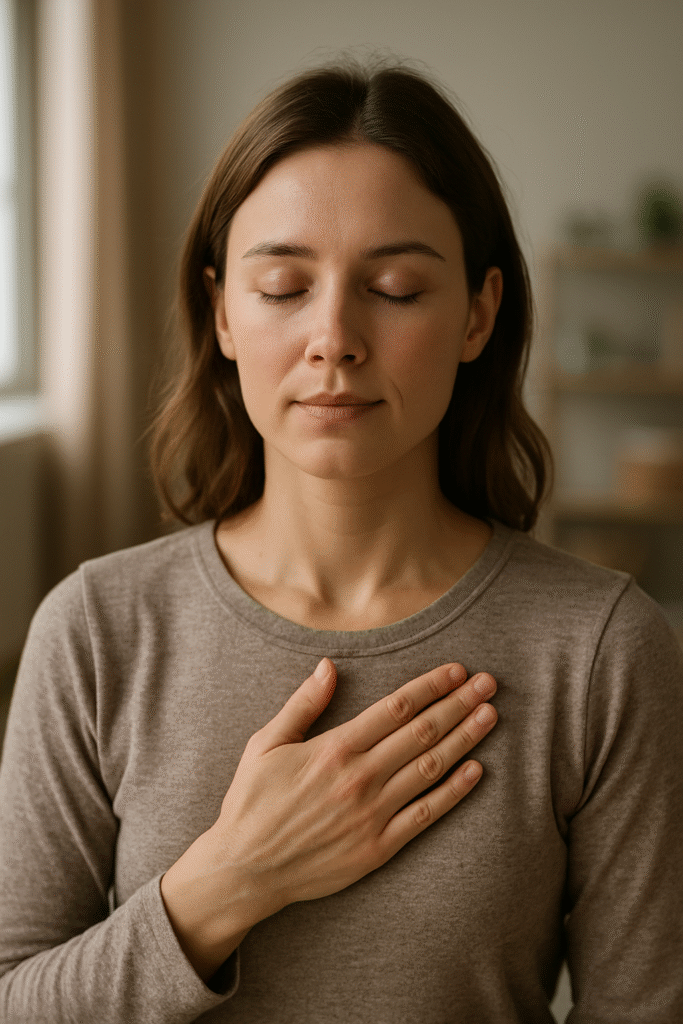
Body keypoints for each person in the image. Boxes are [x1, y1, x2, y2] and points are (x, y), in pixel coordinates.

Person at [1, 56, 681, 1024]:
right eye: (281, 285)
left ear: (477, 313)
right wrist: (231, 879)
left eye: (396, 288)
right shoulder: (98, 628)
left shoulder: (601, 647)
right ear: (221, 311)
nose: (334, 337)